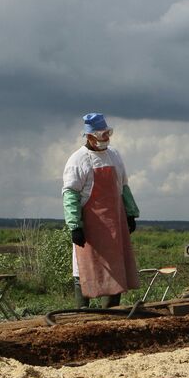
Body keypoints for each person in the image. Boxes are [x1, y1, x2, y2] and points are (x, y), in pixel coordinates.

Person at [62, 113, 140, 308]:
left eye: (107, 134)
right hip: (89, 226)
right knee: (85, 267)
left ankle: (111, 312)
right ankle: (82, 313)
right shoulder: (78, 160)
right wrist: (75, 226)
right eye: (101, 135)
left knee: (115, 267)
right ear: (89, 137)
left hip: (114, 224)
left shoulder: (114, 155)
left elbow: (123, 186)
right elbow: (70, 194)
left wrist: (130, 213)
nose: (105, 139)